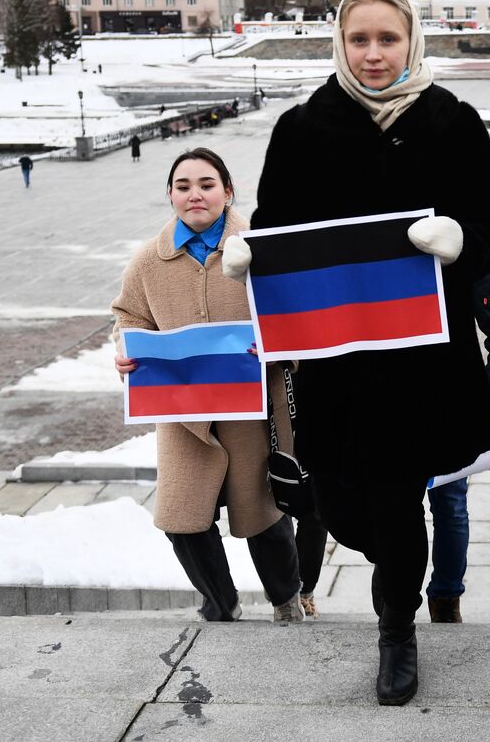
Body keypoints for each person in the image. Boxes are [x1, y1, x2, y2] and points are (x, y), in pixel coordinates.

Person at [226, 0, 490, 706]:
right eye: (360, 39)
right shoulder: (302, 128)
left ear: (411, 40)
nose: (374, 53)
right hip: (338, 362)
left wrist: (461, 241)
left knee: (397, 498)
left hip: (423, 363)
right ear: (340, 43)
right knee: (340, 505)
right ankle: (401, 568)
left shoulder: (453, 122)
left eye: (388, 38)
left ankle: (396, 633)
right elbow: (278, 227)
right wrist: (253, 257)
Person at [111, 147, 304, 625]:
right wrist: (127, 351)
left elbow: (295, 316)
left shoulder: (257, 249)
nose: (194, 194)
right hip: (183, 411)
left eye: (206, 185)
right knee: (181, 518)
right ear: (171, 195)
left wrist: (278, 347)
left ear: (228, 192)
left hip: (250, 409)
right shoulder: (149, 260)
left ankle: (286, 601)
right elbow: (129, 316)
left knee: (261, 515)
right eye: (183, 187)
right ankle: (221, 602)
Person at [427, 267, 490, 623]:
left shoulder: (465, 247)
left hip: (452, 407)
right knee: (390, 509)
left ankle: (445, 602)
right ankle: (393, 606)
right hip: (390, 404)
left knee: (450, 506)